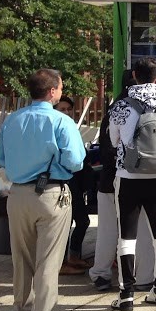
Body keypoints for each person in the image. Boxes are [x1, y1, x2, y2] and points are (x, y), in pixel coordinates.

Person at [0, 68, 86, 311]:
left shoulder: (12, 120)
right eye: (60, 87)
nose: (61, 91)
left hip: (17, 193)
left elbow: (1, 159)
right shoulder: (61, 122)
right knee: (48, 259)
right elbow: (76, 162)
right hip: (50, 194)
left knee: (21, 257)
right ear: (52, 91)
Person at [108, 57, 156, 311]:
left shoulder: (121, 106)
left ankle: (126, 295)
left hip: (128, 177)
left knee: (127, 236)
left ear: (134, 75)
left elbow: (115, 142)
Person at [88, 72, 156, 293]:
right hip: (143, 177)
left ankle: (101, 274)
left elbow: (109, 148)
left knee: (108, 231)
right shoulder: (150, 108)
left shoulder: (114, 110)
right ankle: (144, 276)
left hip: (111, 180)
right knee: (143, 230)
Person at [55, 95, 92, 275]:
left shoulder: (70, 128)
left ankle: (74, 256)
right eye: (62, 109)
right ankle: (61, 262)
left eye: (69, 109)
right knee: (65, 222)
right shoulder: (55, 129)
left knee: (83, 220)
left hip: (74, 180)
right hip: (63, 179)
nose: (67, 112)